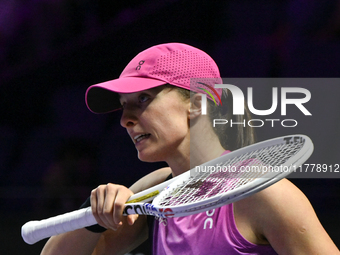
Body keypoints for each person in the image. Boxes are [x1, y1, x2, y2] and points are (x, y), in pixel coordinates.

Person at [41, 43, 339, 254]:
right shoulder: (156, 192)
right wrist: (93, 215)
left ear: (197, 104)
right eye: (123, 107)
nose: (125, 120)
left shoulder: (265, 195)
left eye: (143, 99)